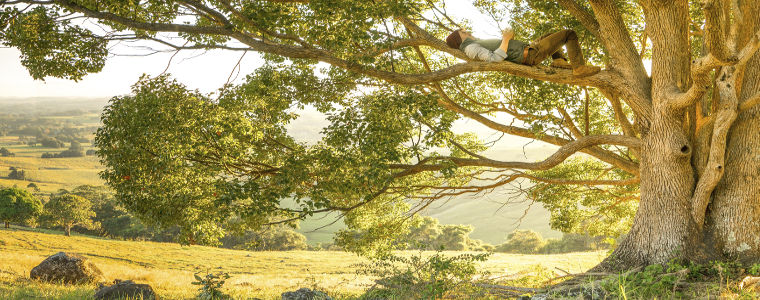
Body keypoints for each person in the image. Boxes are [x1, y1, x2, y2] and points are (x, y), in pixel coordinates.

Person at [445, 28, 601, 77]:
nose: (468, 31)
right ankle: (579, 68)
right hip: (531, 55)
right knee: (569, 34)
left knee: (548, 35)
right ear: (460, 38)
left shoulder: (473, 43)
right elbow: (494, 59)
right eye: (464, 32)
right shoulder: (470, 48)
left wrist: (508, 39)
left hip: (529, 50)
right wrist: (505, 39)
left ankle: (559, 61)